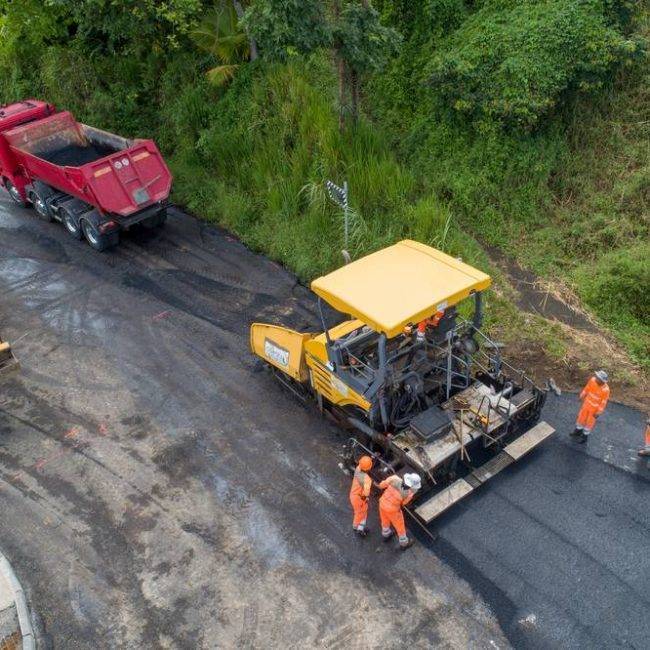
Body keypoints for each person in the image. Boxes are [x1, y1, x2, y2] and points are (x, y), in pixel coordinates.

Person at [378, 472, 421, 549]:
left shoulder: (394, 478)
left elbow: (382, 485)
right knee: (399, 525)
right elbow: (404, 503)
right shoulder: (409, 493)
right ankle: (404, 543)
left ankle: (386, 534)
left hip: (382, 503)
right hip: (393, 510)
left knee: (385, 520)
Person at [571, 370, 610, 443]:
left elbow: (603, 402)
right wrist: (582, 395)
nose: (596, 378)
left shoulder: (606, 390)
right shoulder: (592, 380)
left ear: (602, 381)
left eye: (598, 378)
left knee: (589, 422)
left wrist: (599, 412)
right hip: (586, 404)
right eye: (596, 377)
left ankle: (585, 436)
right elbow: (587, 388)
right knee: (581, 418)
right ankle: (578, 431)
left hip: (594, 410)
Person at [349, 456, 373, 536]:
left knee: (363, 511)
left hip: (353, 494)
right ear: (369, 468)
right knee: (359, 512)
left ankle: (360, 527)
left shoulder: (358, 469)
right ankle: (356, 527)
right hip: (359, 498)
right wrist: (366, 498)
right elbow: (366, 493)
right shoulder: (367, 480)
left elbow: (363, 465)